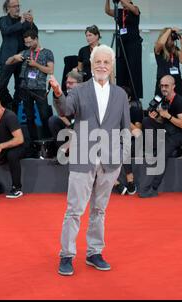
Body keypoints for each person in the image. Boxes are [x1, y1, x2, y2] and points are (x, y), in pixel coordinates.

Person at [48, 45, 131, 276]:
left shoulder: (121, 95)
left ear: (112, 66)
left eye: (106, 62)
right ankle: (66, 255)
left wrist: (122, 158)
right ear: (91, 65)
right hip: (83, 157)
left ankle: (94, 252)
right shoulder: (79, 90)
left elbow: (126, 128)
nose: (102, 65)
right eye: (98, 62)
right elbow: (65, 109)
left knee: (99, 210)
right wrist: (57, 92)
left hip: (110, 161)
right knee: (74, 210)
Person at [139, 75, 182, 198]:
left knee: (162, 154)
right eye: (161, 86)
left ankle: (153, 188)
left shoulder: (180, 101)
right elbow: (162, 121)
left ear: (173, 86)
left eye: (166, 85)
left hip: (179, 134)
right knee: (146, 121)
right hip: (166, 130)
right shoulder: (161, 99)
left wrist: (167, 116)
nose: (163, 88)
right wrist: (156, 117)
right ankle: (154, 146)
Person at [6, 29, 54, 149]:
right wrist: (14, 57)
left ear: (36, 39)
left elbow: (50, 70)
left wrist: (35, 64)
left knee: (44, 114)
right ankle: (33, 142)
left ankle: (48, 140)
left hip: (39, 88)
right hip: (25, 88)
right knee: (29, 116)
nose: (28, 45)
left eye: (30, 42)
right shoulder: (25, 53)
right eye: (26, 43)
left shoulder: (47, 53)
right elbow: (7, 62)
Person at [0, 0, 37, 111]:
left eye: (18, 6)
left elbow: (34, 35)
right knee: (2, 85)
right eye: (14, 6)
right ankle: (8, 104)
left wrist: (31, 23)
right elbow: (6, 31)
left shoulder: (23, 21)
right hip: (7, 58)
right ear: (8, 8)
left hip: (22, 58)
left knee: (20, 86)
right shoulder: (3, 20)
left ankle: (14, 109)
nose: (17, 8)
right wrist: (21, 23)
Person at [105, 0, 143, 100]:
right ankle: (122, 94)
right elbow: (108, 11)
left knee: (133, 68)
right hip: (121, 42)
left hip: (133, 43)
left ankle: (135, 96)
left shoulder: (135, 9)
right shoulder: (120, 12)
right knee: (121, 68)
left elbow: (134, 10)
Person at [112, 85, 143, 195]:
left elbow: (138, 132)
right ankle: (116, 183)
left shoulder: (135, 111)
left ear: (128, 99)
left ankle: (130, 181)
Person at [48, 70, 83, 155]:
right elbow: (61, 115)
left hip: (82, 127)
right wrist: (69, 126)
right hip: (68, 125)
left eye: (71, 83)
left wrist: (73, 127)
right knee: (53, 120)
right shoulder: (61, 95)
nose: (67, 85)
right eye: (67, 82)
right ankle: (63, 152)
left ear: (79, 84)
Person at [154, 27, 182, 98]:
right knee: (161, 106)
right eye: (171, 36)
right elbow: (161, 43)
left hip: (176, 83)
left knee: (177, 106)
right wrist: (170, 30)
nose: (173, 38)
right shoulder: (159, 49)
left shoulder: (175, 49)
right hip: (163, 84)